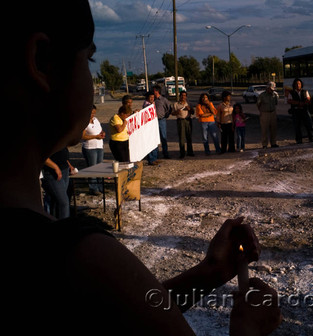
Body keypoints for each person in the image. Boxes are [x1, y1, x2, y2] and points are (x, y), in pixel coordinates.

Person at [2, 1, 282, 334]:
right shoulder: (78, 260)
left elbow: (127, 314)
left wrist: (209, 272)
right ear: (42, 62)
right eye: (89, 59)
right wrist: (249, 330)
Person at [41, 147, 74, 219]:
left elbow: (62, 149)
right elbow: (41, 155)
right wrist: (55, 167)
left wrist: (68, 164)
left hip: (64, 168)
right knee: (63, 203)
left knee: (57, 201)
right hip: (51, 172)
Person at [81, 105, 105, 194]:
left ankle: (100, 186)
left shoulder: (96, 120)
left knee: (100, 168)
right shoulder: (84, 122)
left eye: (94, 113)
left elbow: (100, 130)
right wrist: (95, 136)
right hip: (90, 148)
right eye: (91, 113)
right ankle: (93, 188)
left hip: (99, 146)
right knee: (93, 168)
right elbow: (83, 136)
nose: (93, 115)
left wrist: (102, 133)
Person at [287, 78, 313, 144]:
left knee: (308, 124)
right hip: (296, 110)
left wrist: (305, 102)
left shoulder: (305, 91)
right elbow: (289, 100)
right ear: (294, 85)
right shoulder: (291, 92)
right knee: (297, 126)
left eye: (299, 84)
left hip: (304, 110)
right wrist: (298, 103)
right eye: (296, 84)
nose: (298, 85)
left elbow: (308, 99)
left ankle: (311, 137)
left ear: (301, 85)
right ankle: (299, 139)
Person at [172, 91, 195, 158]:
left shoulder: (189, 103)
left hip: (188, 120)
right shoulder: (176, 104)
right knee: (182, 137)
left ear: (186, 96)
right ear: (180, 96)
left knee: (189, 137)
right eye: (182, 95)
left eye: (184, 95)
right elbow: (172, 113)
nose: (183, 97)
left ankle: (190, 152)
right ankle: (182, 153)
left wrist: (189, 109)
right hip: (180, 121)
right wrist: (177, 112)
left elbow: (193, 112)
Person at [257, 81, 280, 148]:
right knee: (264, 129)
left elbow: (276, 103)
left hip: (273, 112)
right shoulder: (262, 95)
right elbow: (258, 104)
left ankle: (273, 143)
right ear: (267, 88)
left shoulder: (275, 95)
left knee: (273, 129)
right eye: (270, 89)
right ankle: (264, 144)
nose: (271, 90)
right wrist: (261, 111)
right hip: (264, 113)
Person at [154, 84, 171, 158]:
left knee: (163, 137)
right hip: (153, 122)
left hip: (161, 120)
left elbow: (169, 108)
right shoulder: (152, 100)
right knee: (154, 138)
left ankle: (165, 153)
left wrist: (166, 115)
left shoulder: (163, 100)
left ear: (157, 91)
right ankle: (156, 154)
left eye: (154, 90)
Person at [143, 91, 159, 165]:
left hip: (153, 125)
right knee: (150, 142)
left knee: (154, 141)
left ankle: (154, 158)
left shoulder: (152, 104)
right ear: (147, 98)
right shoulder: (147, 104)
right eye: (151, 97)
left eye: (153, 97)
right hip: (149, 126)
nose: (152, 98)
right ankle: (151, 159)